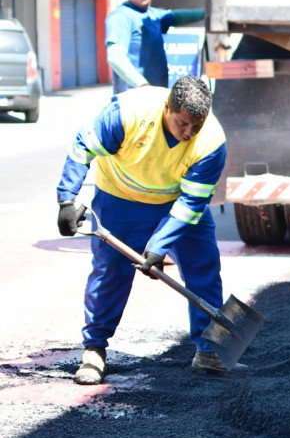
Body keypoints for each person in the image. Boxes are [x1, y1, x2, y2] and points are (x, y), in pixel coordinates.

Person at [56, 77, 228, 384]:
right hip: (120, 198)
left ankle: (210, 351)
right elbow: (83, 147)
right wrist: (67, 199)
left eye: (195, 126)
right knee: (110, 273)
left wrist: (159, 245)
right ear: (166, 108)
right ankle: (94, 349)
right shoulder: (128, 114)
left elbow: (191, 204)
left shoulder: (212, 142)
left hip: (176, 202)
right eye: (182, 123)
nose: (188, 133)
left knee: (204, 268)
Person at [105, 0, 205, 93]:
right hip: (133, 97)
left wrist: (210, 14)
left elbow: (179, 16)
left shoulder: (154, 16)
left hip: (157, 96)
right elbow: (115, 56)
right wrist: (141, 84)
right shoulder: (121, 17)